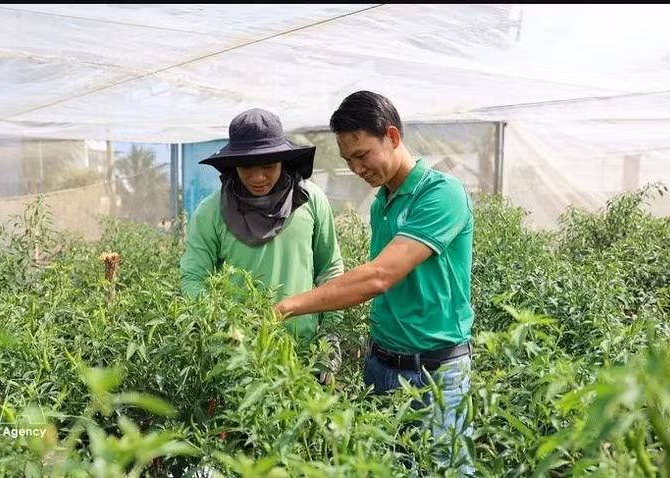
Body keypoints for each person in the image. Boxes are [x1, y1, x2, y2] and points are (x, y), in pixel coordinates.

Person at [274, 91, 475, 473]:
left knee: (442, 469)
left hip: (435, 373)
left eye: (362, 154)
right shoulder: (384, 200)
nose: (356, 168)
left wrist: (288, 306)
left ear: (393, 137)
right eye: (349, 160)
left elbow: (379, 276)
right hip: (382, 365)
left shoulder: (441, 194)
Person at [180, 108, 344, 384]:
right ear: (233, 166)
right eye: (247, 168)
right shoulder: (210, 211)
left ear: (283, 160)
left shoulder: (310, 200)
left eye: (267, 166)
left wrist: (329, 340)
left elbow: (330, 270)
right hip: (241, 358)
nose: (257, 178)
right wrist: (226, 327)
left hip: (305, 355)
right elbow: (193, 279)